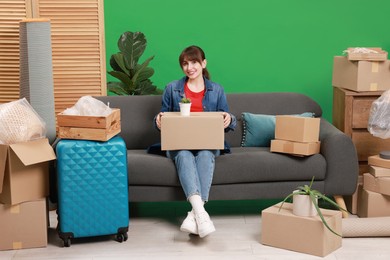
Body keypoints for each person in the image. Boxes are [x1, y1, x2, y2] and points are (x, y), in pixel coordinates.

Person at [155, 45, 236, 238]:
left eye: (194, 62)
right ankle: (201, 214)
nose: (189, 67)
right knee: (183, 154)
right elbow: (162, 116)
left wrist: (228, 118)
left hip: (207, 143)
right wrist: (158, 120)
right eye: (185, 63)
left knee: (206, 155)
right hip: (180, 143)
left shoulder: (216, 89)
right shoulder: (172, 88)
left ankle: (194, 215)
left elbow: (229, 118)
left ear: (203, 63)